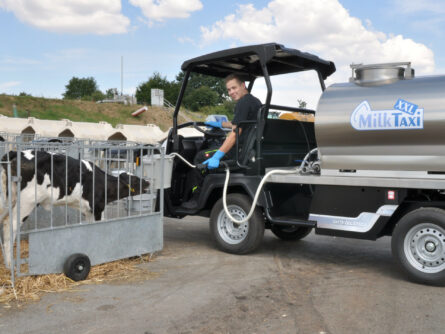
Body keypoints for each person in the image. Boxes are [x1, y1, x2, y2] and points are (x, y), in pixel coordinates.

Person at [181, 74, 261, 209]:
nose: (231, 92)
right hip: (248, 149)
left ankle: (196, 199)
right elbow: (239, 124)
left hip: (238, 151)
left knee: (200, 157)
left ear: (243, 85)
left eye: (234, 88)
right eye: (229, 90)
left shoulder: (243, 102)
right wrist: (220, 124)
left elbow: (235, 134)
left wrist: (217, 156)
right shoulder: (255, 101)